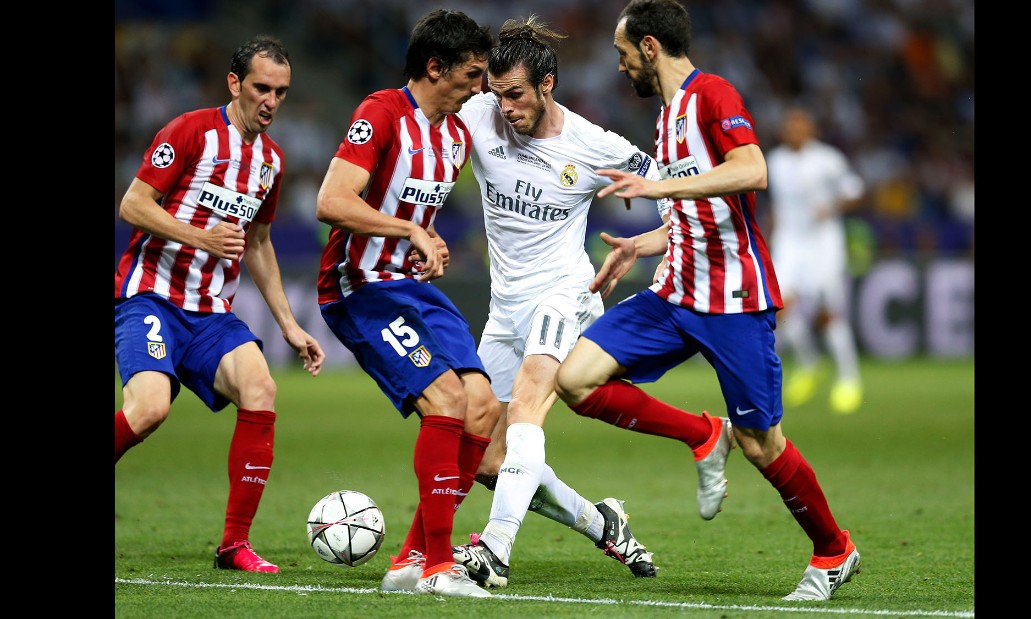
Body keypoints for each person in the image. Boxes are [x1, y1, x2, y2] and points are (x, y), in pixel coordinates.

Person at [553, 0, 861, 602]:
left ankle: (834, 551)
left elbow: (751, 170)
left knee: (761, 444)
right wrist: (644, 242)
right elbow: (696, 211)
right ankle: (702, 433)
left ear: (648, 47)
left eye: (622, 55)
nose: (619, 69)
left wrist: (659, 187)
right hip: (674, 290)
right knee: (576, 380)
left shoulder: (714, 94)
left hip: (735, 300)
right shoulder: (668, 120)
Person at [446, 16, 664, 589]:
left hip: (564, 295)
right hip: (504, 309)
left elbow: (684, 203)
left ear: (547, 86)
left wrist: (644, 244)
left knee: (526, 409)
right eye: (496, 94)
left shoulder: (595, 145)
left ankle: (494, 549)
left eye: (515, 95)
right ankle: (602, 522)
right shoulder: (477, 116)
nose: (505, 108)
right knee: (487, 458)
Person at [114, 35, 326, 574]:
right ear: (235, 83)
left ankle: (235, 545)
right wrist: (199, 237)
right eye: (261, 88)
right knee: (149, 409)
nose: (271, 102)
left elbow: (257, 243)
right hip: (151, 297)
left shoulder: (271, 162)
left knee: (262, 388)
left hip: (211, 312)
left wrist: (289, 324)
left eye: (280, 92)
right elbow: (133, 204)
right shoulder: (189, 131)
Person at [314, 9, 497, 598]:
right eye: (470, 75)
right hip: (360, 286)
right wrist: (407, 230)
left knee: (483, 407)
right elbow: (332, 200)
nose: (479, 88)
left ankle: (410, 560)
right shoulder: (382, 112)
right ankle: (440, 569)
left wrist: (428, 243)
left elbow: (416, 221)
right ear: (434, 67)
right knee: (444, 400)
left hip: (412, 286)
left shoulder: (456, 139)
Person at [766, 105, 866, 414]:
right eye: (789, 126)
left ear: (811, 130)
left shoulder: (827, 159)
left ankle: (850, 378)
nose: (794, 131)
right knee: (779, 307)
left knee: (828, 311)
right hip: (790, 242)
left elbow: (855, 191)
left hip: (823, 242)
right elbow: (777, 205)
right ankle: (810, 363)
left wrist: (832, 206)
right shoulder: (775, 161)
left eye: (800, 125)